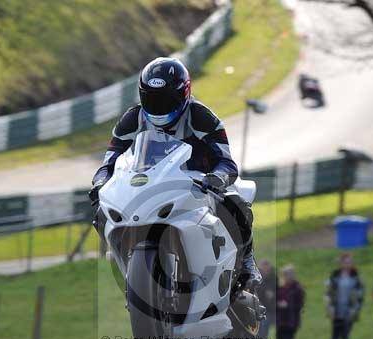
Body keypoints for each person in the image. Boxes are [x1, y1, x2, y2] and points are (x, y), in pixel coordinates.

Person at [88, 57, 261, 287]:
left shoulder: (202, 117)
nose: (159, 106)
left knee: (235, 201)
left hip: (198, 185)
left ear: (184, 93)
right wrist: (100, 183)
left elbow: (227, 163)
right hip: (149, 187)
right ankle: (129, 269)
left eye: (166, 99)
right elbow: (109, 162)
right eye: (152, 99)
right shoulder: (132, 119)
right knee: (102, 214)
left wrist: (216, 178)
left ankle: (247, 261)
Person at [324, 253, 364, 339]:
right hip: (336, 311)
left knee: (345, 337)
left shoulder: (356, 277)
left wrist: (355, 309)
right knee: (334, 337)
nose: (348, 264)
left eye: (350, 262)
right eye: (346, 262)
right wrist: (329, 306)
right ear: (341, 263)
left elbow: (360, 295)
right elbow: (328, 292)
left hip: (349, 312)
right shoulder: (335, 276)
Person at [276, 264, 305, 339]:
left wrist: (287, 305)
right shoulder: (281, 288)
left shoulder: (297, 289)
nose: (286, 277)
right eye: (284, 275)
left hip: (291, 322)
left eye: (287, 275)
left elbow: (300, 304)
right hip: (281, 321)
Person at [254, 259, 278, 339]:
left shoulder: (272, 280)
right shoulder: (257, 278)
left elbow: (271, 297)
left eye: (266, 267)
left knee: (262, 338)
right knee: (256, 338)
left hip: (267, 313)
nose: (265, 270)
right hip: (256, 313)